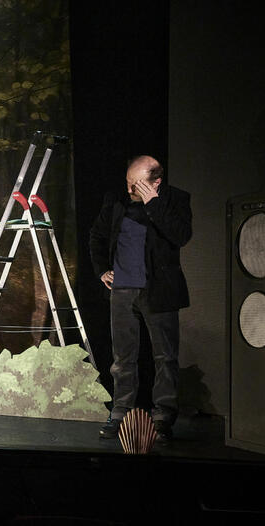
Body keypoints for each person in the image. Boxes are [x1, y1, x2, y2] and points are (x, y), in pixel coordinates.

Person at [89, 155, 192, 441]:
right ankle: (121, 411)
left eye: (137, 184)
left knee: (165, 357)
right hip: (122, 290)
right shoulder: (116, 200)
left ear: (156, 182)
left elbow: (181, 236)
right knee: (122, 358)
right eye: (128, 183)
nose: (131, 189)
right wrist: (101, 271)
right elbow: (96, 236)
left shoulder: (175, 200)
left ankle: (163, 416)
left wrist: (153, 204)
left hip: (158, 290)